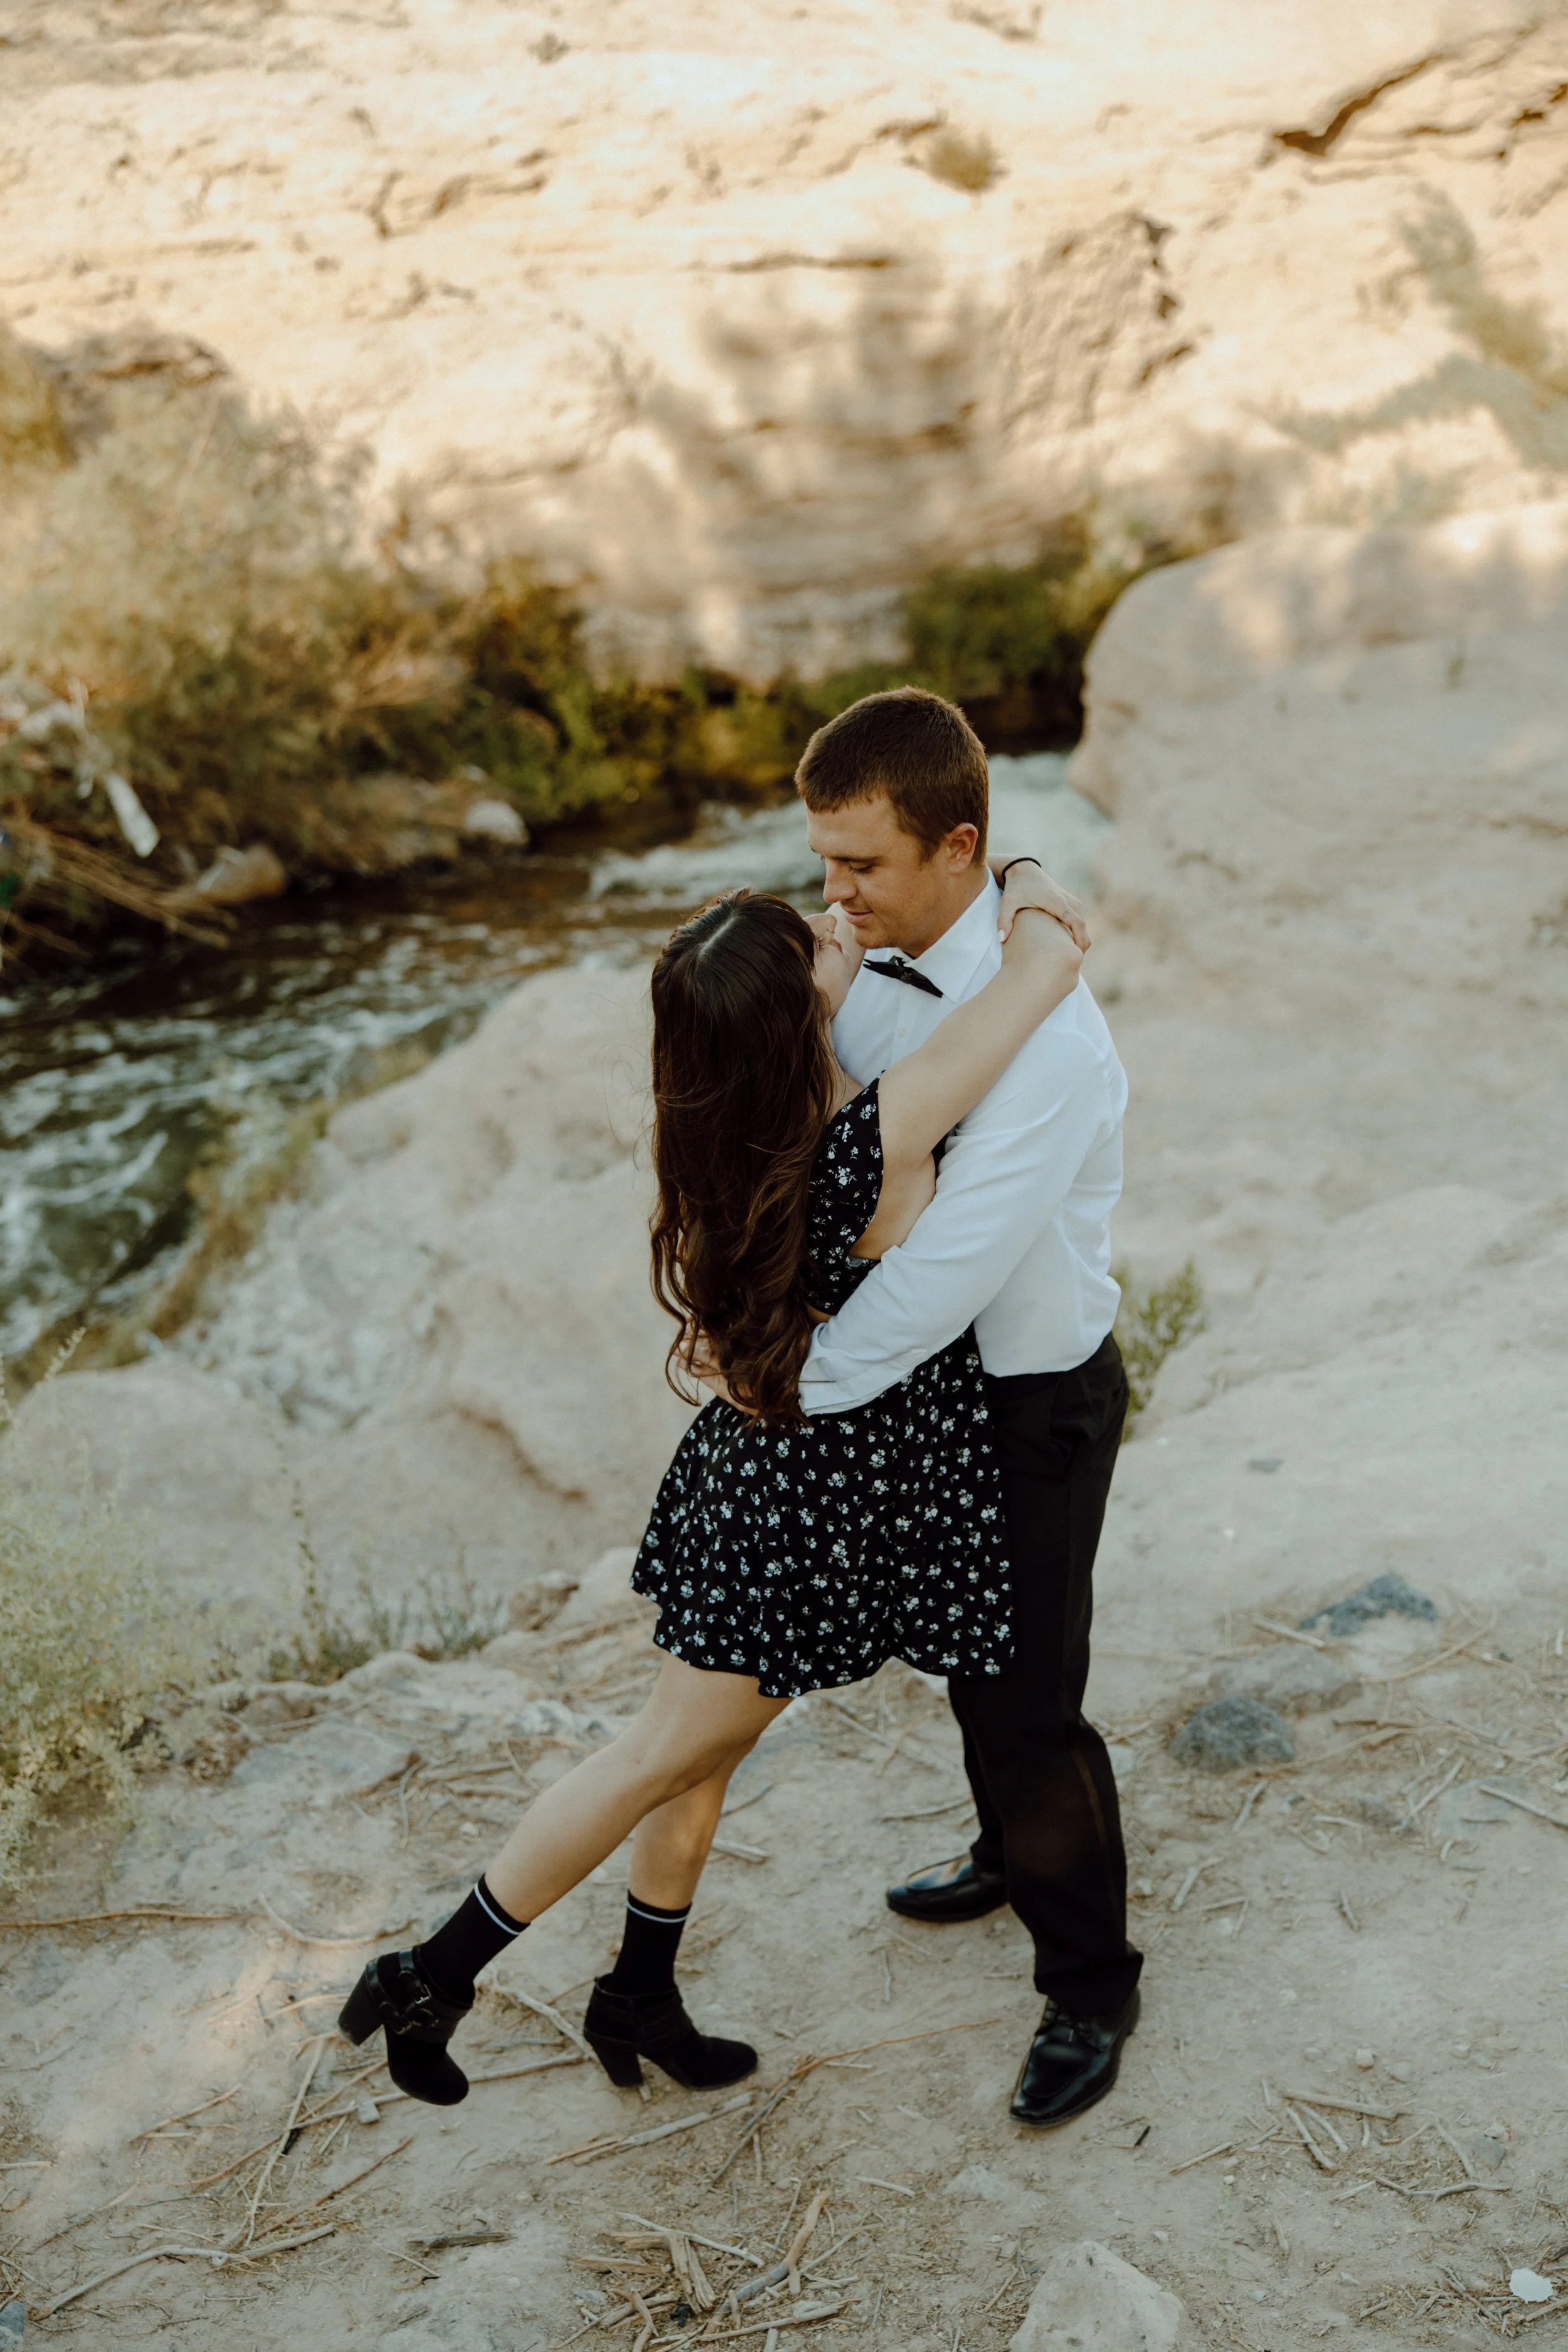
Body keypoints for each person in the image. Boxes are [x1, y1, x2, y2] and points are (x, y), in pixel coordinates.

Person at [337, 852, 1084, 2106]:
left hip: (752, 1483)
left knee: (699, 1759)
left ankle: (638, 1992)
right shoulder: (876, 1126)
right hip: (801, 1510)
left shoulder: (717, 1130)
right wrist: (1012, 863)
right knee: (654, 1753)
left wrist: (827, 970)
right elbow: (1047, 963)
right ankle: (431, 1972)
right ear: (798, 1018)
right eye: (812, 939)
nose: (833, 919)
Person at [796, 685, 1141, 2131]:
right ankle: (1004, 1849)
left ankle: (1090, 1980)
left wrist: (795, 1389)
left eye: (860, 866)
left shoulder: (1050, 1047)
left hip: (1032, 1397)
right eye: (821, 862)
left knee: (1027, 1696)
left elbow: (942, 1275)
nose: (833, 894)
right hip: (936, 1396)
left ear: (953, 845)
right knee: (961, 1656)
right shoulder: (874, 953)